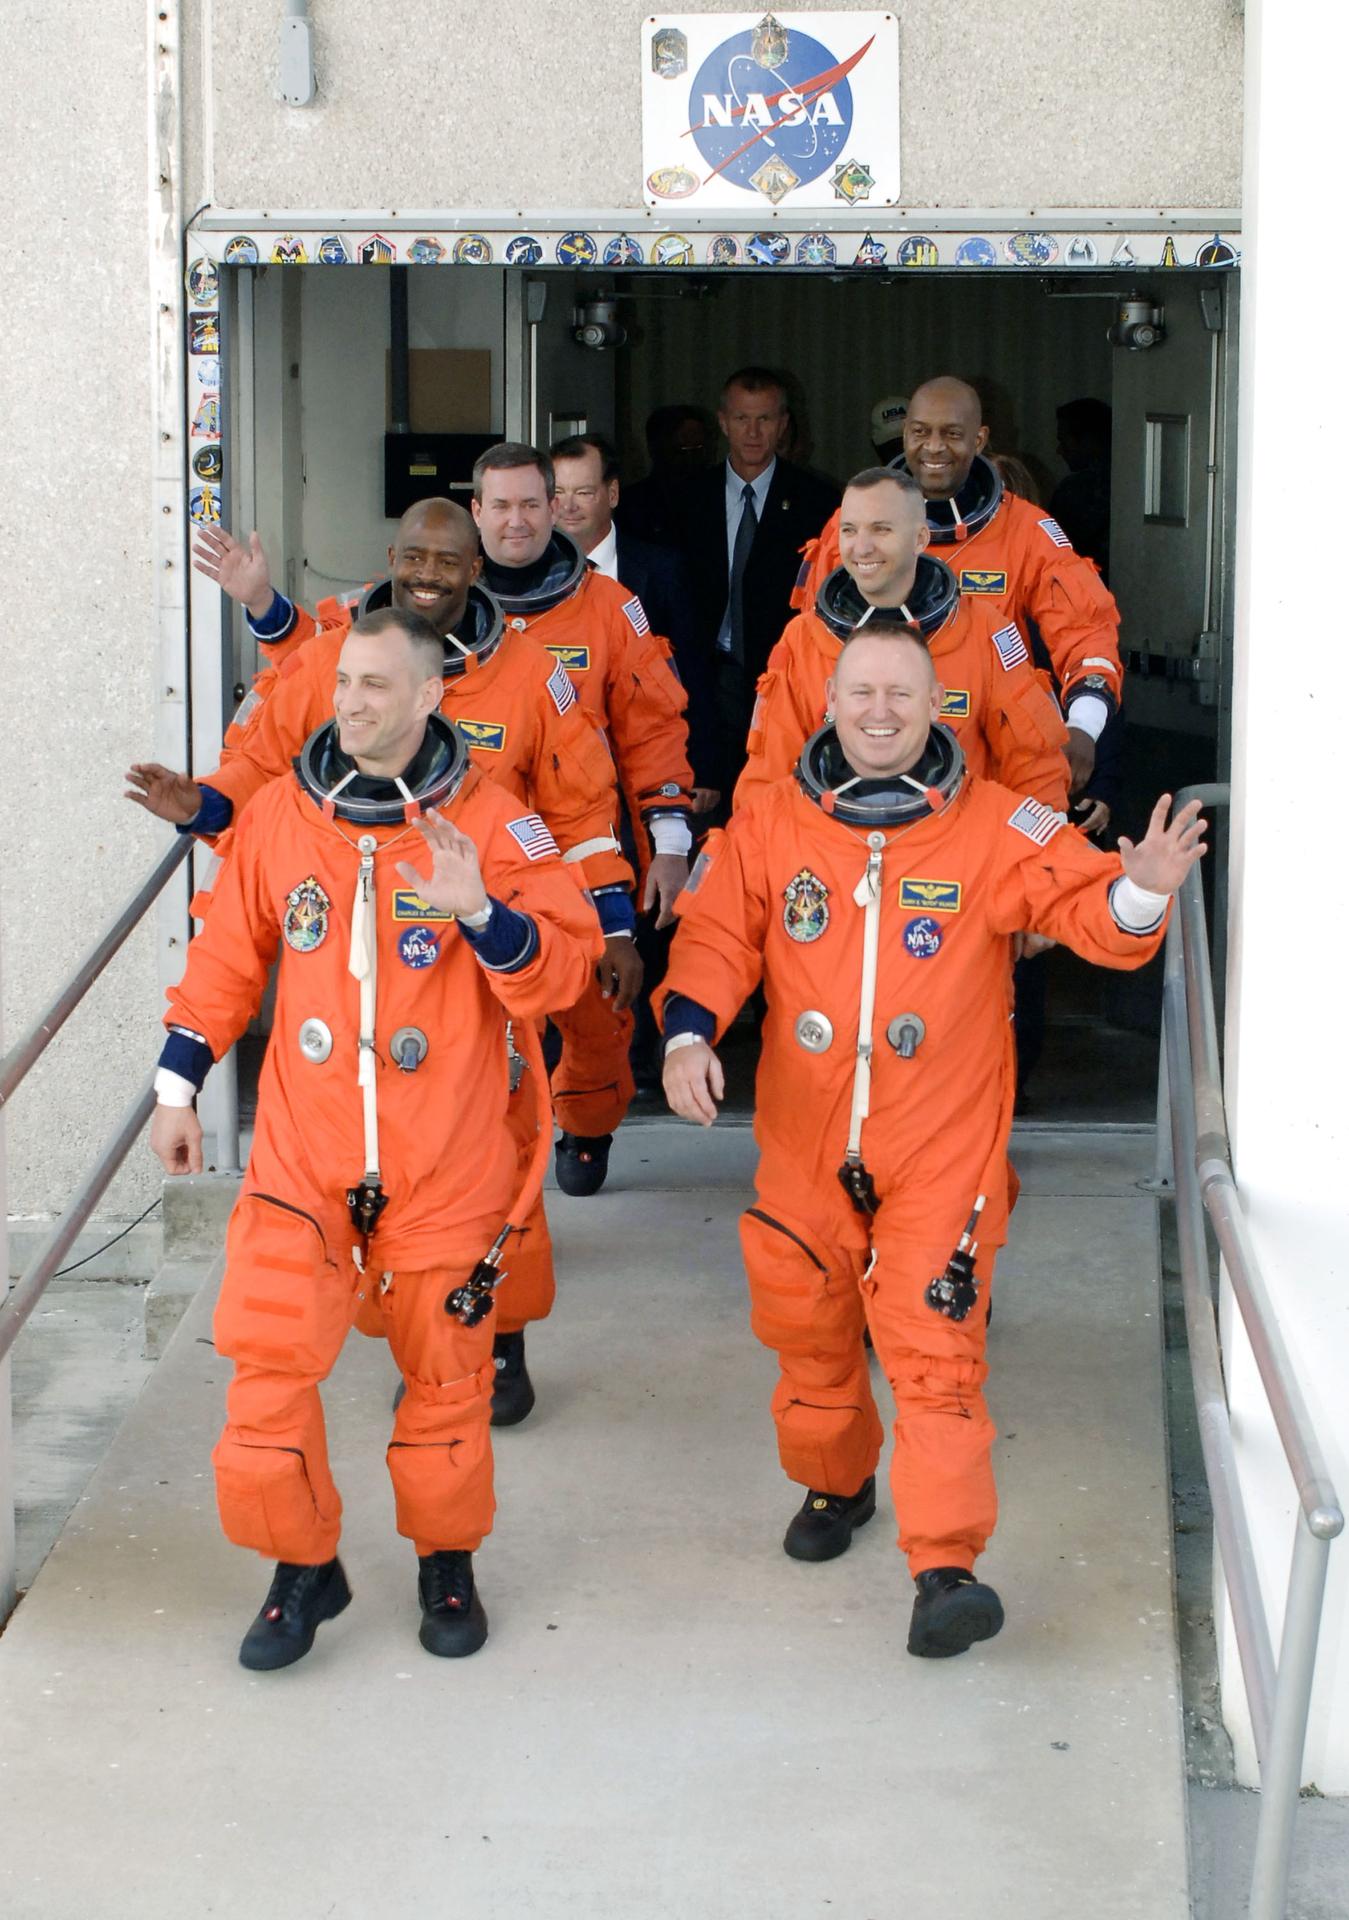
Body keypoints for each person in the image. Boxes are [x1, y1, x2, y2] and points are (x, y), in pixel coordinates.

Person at [655, 624, 1204, 1658]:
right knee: (807, 1329)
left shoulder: (996, 821)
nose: (877, 712)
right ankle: (835, 1482)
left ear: (934, 709)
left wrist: (1140, 888)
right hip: (805, 1140)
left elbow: (1087, 908)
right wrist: (687, 1034)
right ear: (829, 703)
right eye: (859, 693)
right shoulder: (770, 824)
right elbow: (716, 935)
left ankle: (942, 1568)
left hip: (937, 1146)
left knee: (933, 1349)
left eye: (899, 696)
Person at [149, 608, 601, 1670]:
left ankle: (447, 1560)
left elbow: (565, 971)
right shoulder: (276, 822)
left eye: (375, 686)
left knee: (447, 1387)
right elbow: (223, 964)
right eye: (343, 681)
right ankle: (300, 1569)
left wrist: (483, 912)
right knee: (263, 1378)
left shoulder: (495, 825)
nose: (350, 702)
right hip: (303, 1161)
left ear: (432, 696)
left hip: (442, 1165)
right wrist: (177, 1086)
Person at [129, 499, 629, 1428]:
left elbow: (577, 808)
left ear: (477, 569)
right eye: (413, 556)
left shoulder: (534, 679)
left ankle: (487, 1335)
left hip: (482, 957)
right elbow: (262, 795)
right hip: (361, 981)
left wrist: (599, 917)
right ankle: (419, 1325)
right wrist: (200, 808)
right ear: (390, 559)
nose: (430, 573)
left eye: (450, 559)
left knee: (496, 1166)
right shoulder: (325, 660)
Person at [471, 442, 695, 1196]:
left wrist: (668, 845)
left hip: (583, 844)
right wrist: (268, 611)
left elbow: (653, 729)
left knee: (599, 1017)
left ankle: (588, 1122)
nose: (517, 520)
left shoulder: (609, 607)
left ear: (556, 507)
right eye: (499, 506)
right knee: (479, 1015)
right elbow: (333, 665)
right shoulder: (430, 599)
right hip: (474, 856)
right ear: (476, 512)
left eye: (531, 503)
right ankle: (491, 1155)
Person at [794, 376, 1123, 795]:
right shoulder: (852, 526)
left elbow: (1086, 630)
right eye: (920, 432)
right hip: (862, 767)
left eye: (951, 433)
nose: (933, 447)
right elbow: (810, 648)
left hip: (989, 772)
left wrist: (1084, 726)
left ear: (980, 438)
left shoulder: (1026, 531)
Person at [735, 468, 1069, 813]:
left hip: (958, 850)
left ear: (920, 539)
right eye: (849, 531)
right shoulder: (803, 639)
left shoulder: (983, 630)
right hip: (834, 853)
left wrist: (1035, 857)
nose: (862, 547)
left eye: (881, 529)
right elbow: (768, 779)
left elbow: (1035, 768)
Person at [678, 367, 841, 796]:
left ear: (783, 424)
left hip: (781, 674)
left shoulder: (818, 500)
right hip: (704, 679)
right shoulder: (685, 498)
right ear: (723, 422)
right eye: (742, 419)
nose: (752, 432)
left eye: (765, 419)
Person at [551, 432, 716, 806]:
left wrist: (703, 767)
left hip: (645, 768)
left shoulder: (663, 570)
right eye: (558, 493)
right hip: (557, 774)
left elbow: (693, 670)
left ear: (612, 494)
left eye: (584, 492)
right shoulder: (525, 579)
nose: (568, 507)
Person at [616, 403, 716, 548]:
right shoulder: (632, 505)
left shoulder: (720, 498)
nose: (691, 459)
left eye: (699, 449)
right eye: (682, 449)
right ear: (656, 449)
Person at [1049, 397, 1113, 580]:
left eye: (1065, 441)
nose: (1059, 450)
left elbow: (1055, 552)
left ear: (1089, 440)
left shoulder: (1074, 491)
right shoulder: (1132, 483)